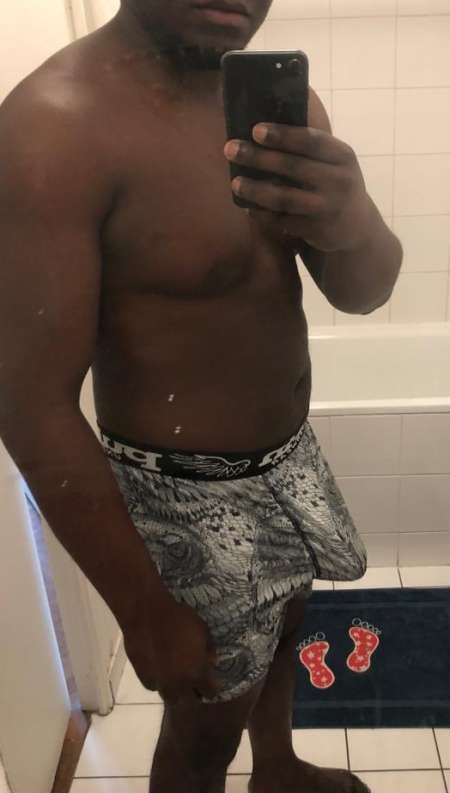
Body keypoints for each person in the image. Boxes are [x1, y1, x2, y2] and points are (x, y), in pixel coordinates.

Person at [0, 1, 402, 791]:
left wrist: (351, 217)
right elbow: (30, 403)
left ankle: (278, 768)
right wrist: (143, 607)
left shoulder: (280, 106)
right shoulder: (53, 131)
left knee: (287, 624)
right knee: (202, 731)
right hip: (180, 494)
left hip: (288, 455)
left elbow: (364, 291)